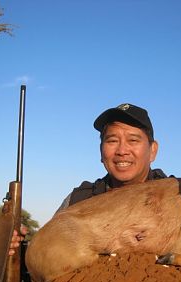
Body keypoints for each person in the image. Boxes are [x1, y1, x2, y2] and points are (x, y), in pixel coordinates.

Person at [10, 103, 167, 252]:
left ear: (153, 150)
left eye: (133, 140)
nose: (122, 150)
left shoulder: (177, 199)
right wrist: (19, 249)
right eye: (112, 141)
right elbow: (49, 255)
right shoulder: (78, 200)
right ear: (101, 151)